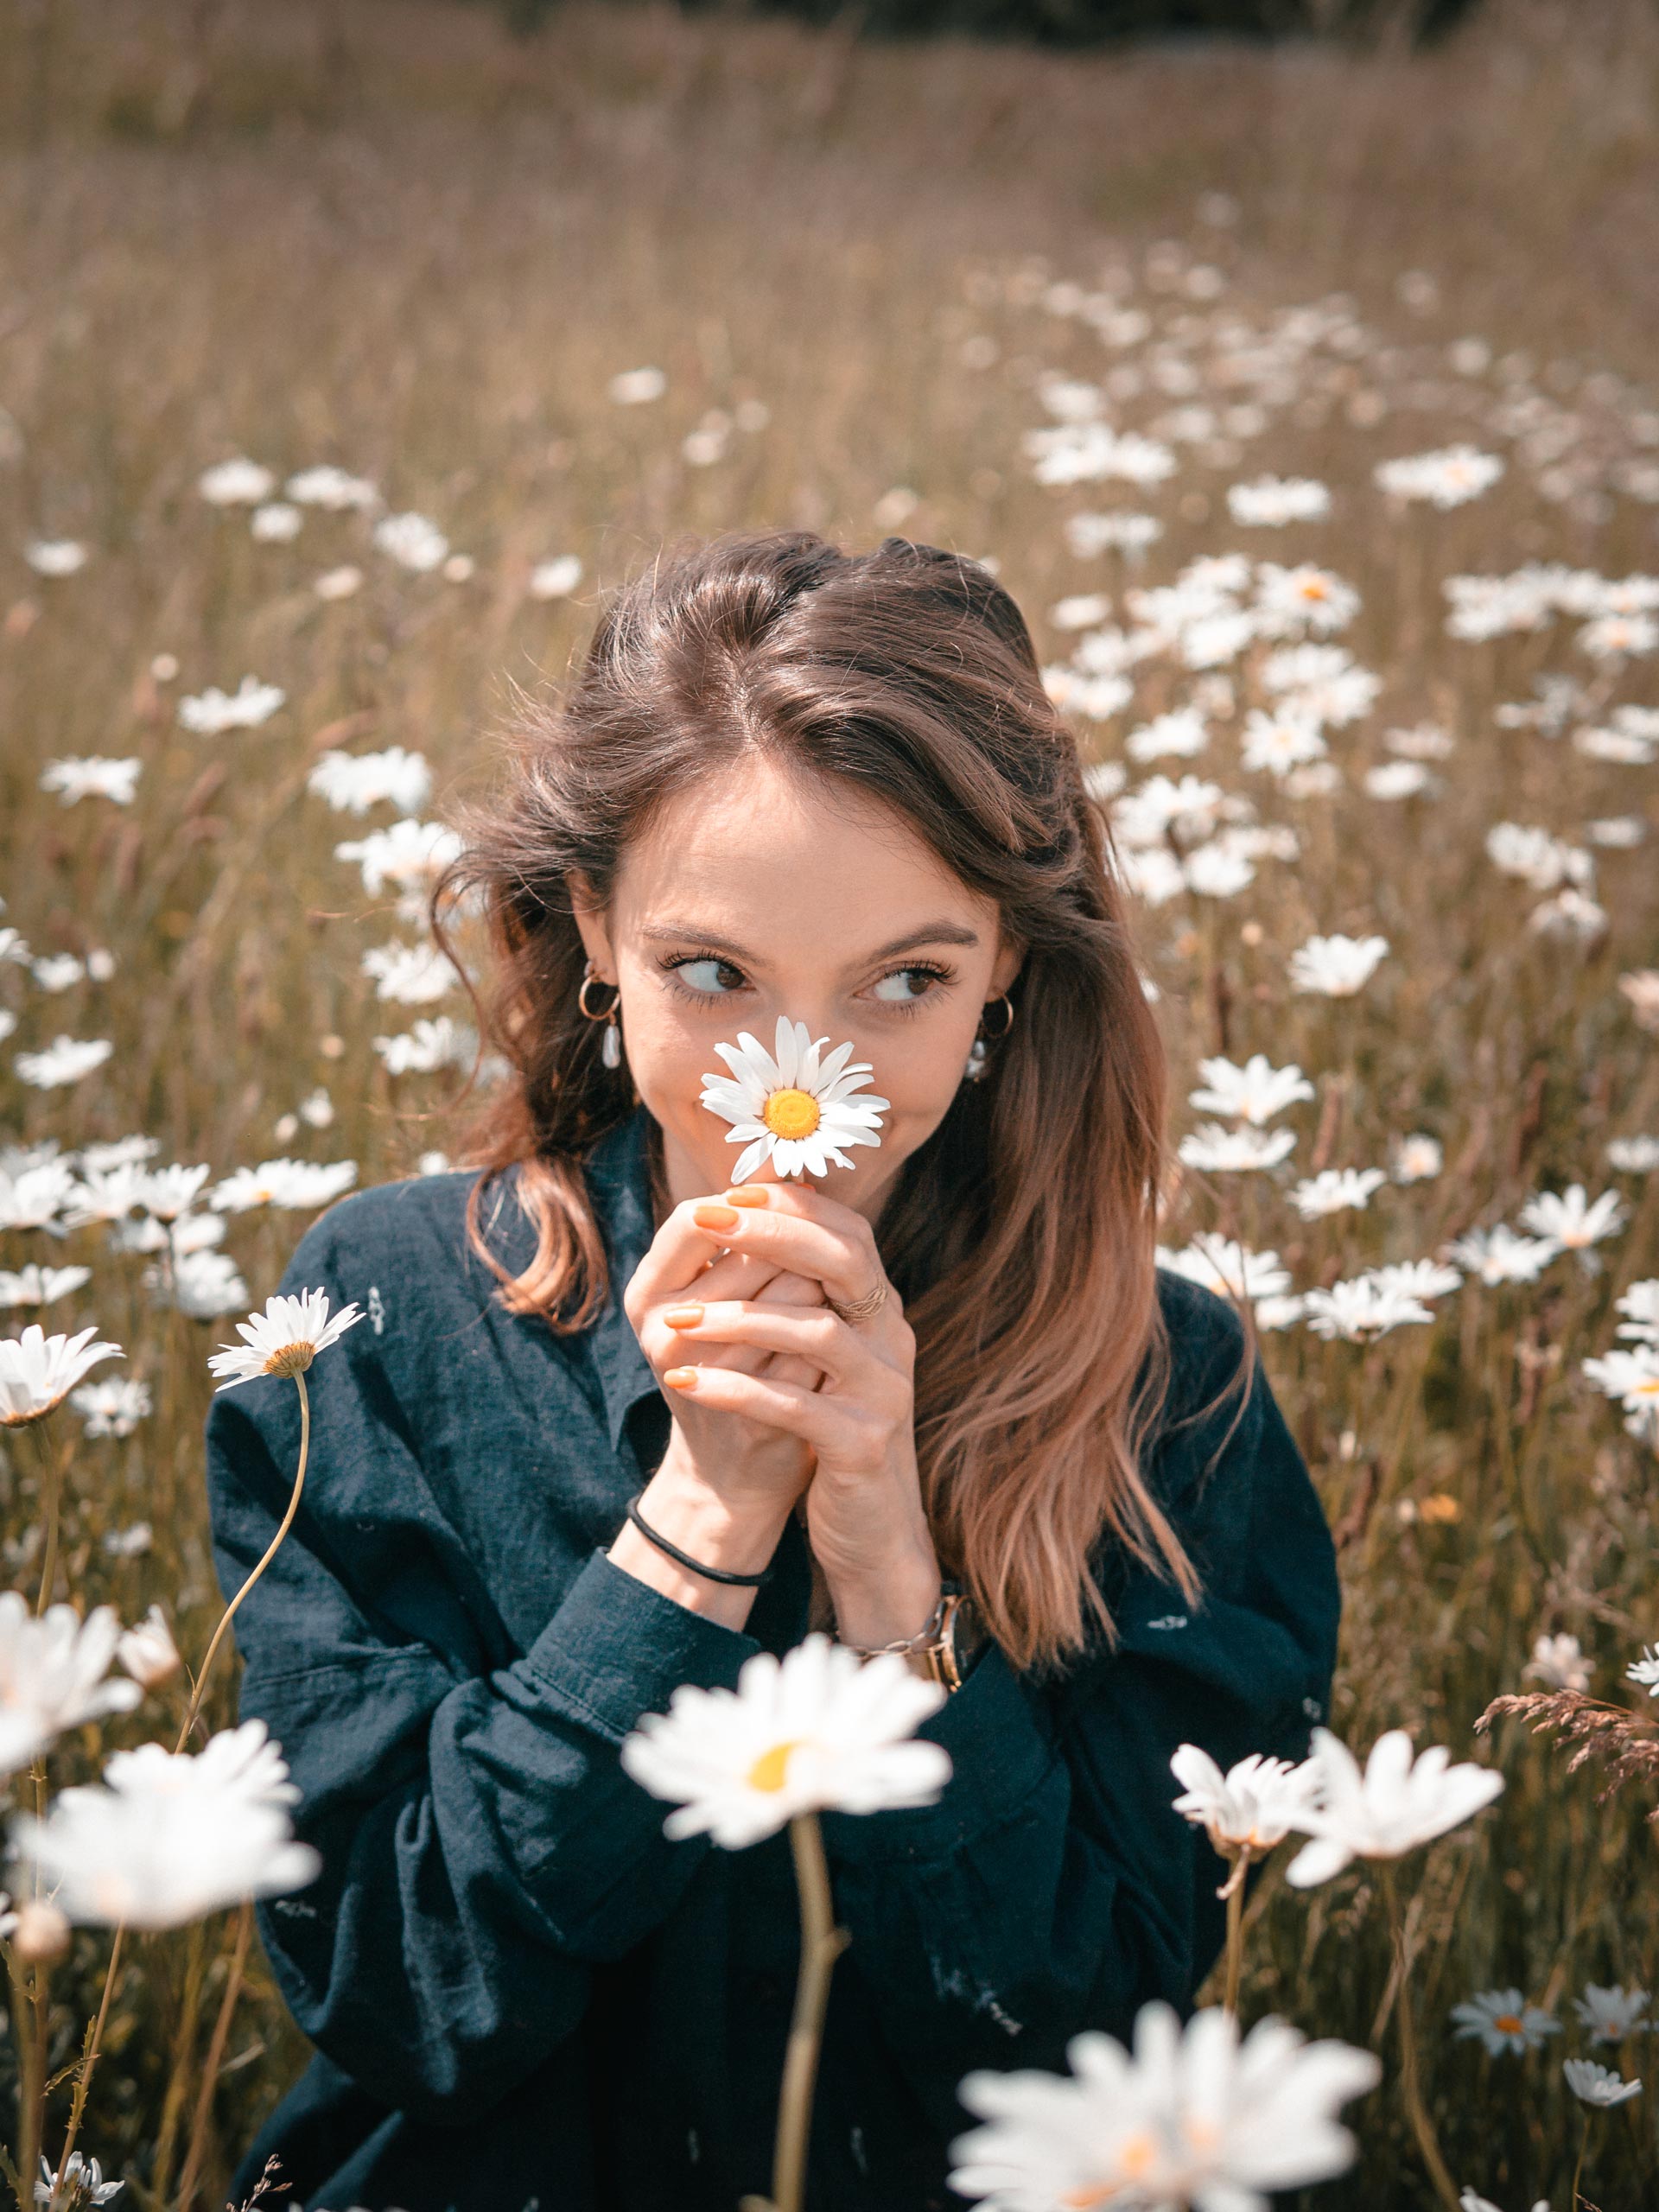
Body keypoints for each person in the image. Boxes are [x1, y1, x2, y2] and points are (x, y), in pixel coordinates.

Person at [205, 528, 1340, 2212]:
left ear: (1008, 967)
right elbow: (404, 1995)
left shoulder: (1170, 1391)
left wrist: (894, 1585)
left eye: (905, 980)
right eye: (716, 974)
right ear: (595, 926)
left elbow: (1095, 2058)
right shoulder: (384, 1315)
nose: (799, 1085)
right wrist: (702, 1520)